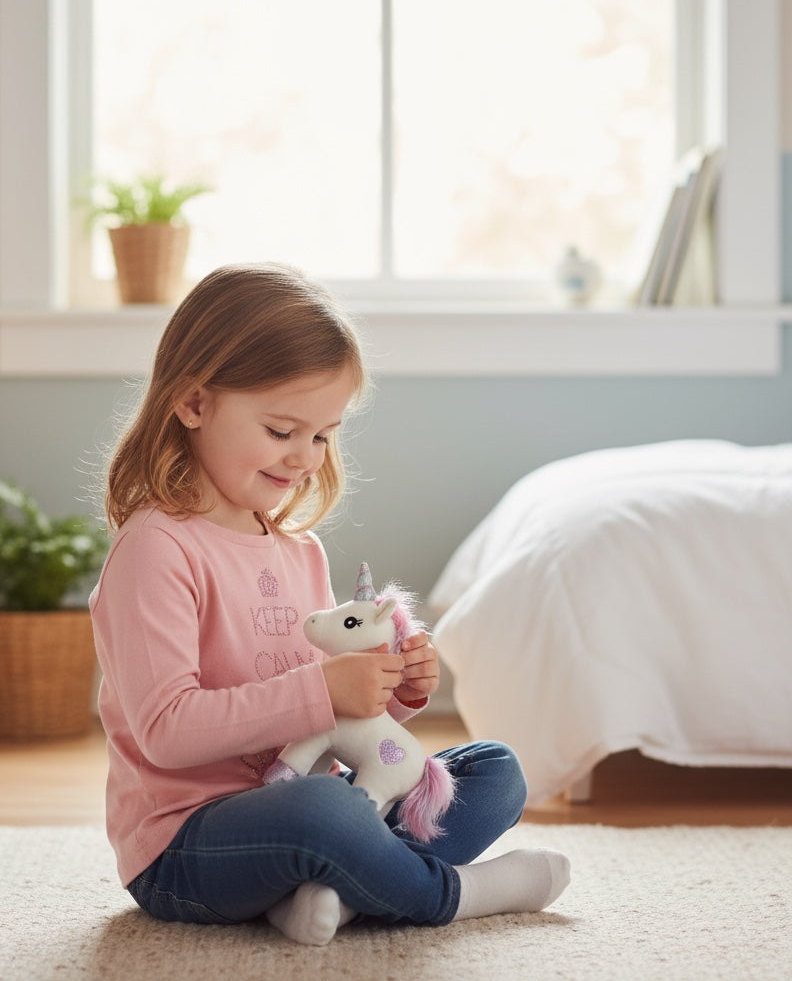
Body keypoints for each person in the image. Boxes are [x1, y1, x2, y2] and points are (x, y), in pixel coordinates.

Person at [90, 262, 569, 946]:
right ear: (194, 404)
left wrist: (390, 691)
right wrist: (322, 689)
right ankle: (454, 895)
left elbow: (330, 720)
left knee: (492, 773)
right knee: (321, 812)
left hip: (322, 806)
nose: (305, 458)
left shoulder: (298, 550)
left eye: (322, 434)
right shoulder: (157, 549)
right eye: (283, 431)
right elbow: (167, 729)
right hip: (189, 847)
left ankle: (331, 894)